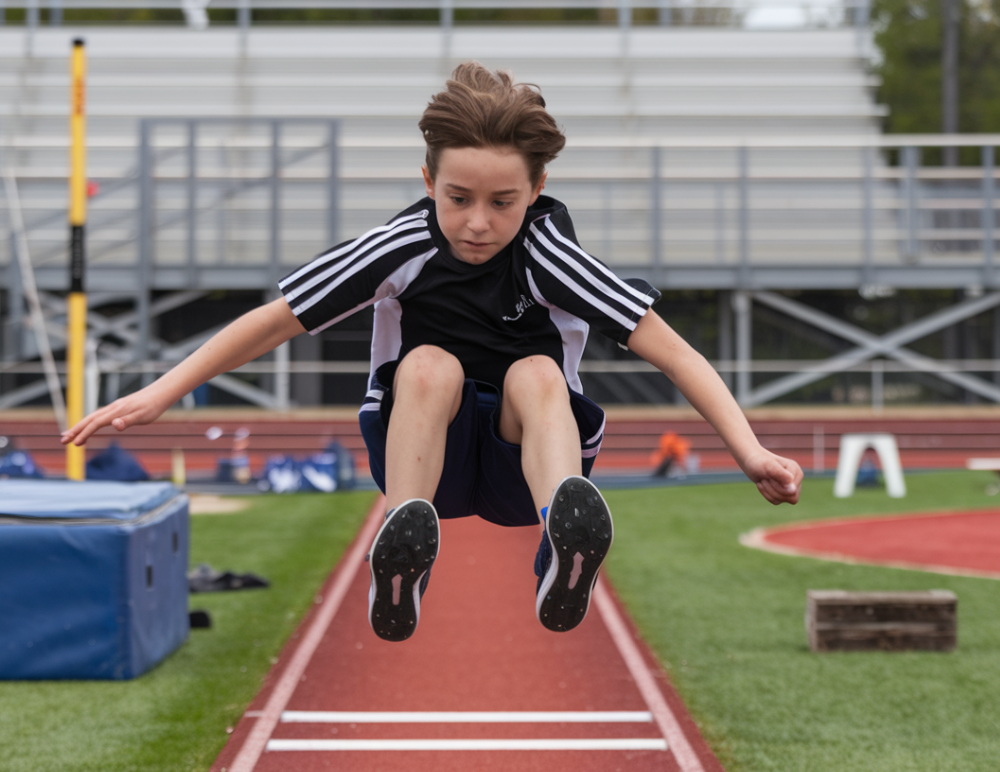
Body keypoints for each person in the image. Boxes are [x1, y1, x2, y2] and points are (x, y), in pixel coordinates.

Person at [62, 62, 802, 643]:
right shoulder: (403, 245)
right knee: (427, 363)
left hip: (527, 464)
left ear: (538, 189)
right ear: (428, 184)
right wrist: (160, 393)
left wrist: (749, 451)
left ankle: (560, 554)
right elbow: (275, 321)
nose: (477, 224)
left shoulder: (551, 255)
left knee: (537, 370)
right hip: (425, 453)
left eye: (503, 203)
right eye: (458, 198)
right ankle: (405, 549)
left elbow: (673, 353)